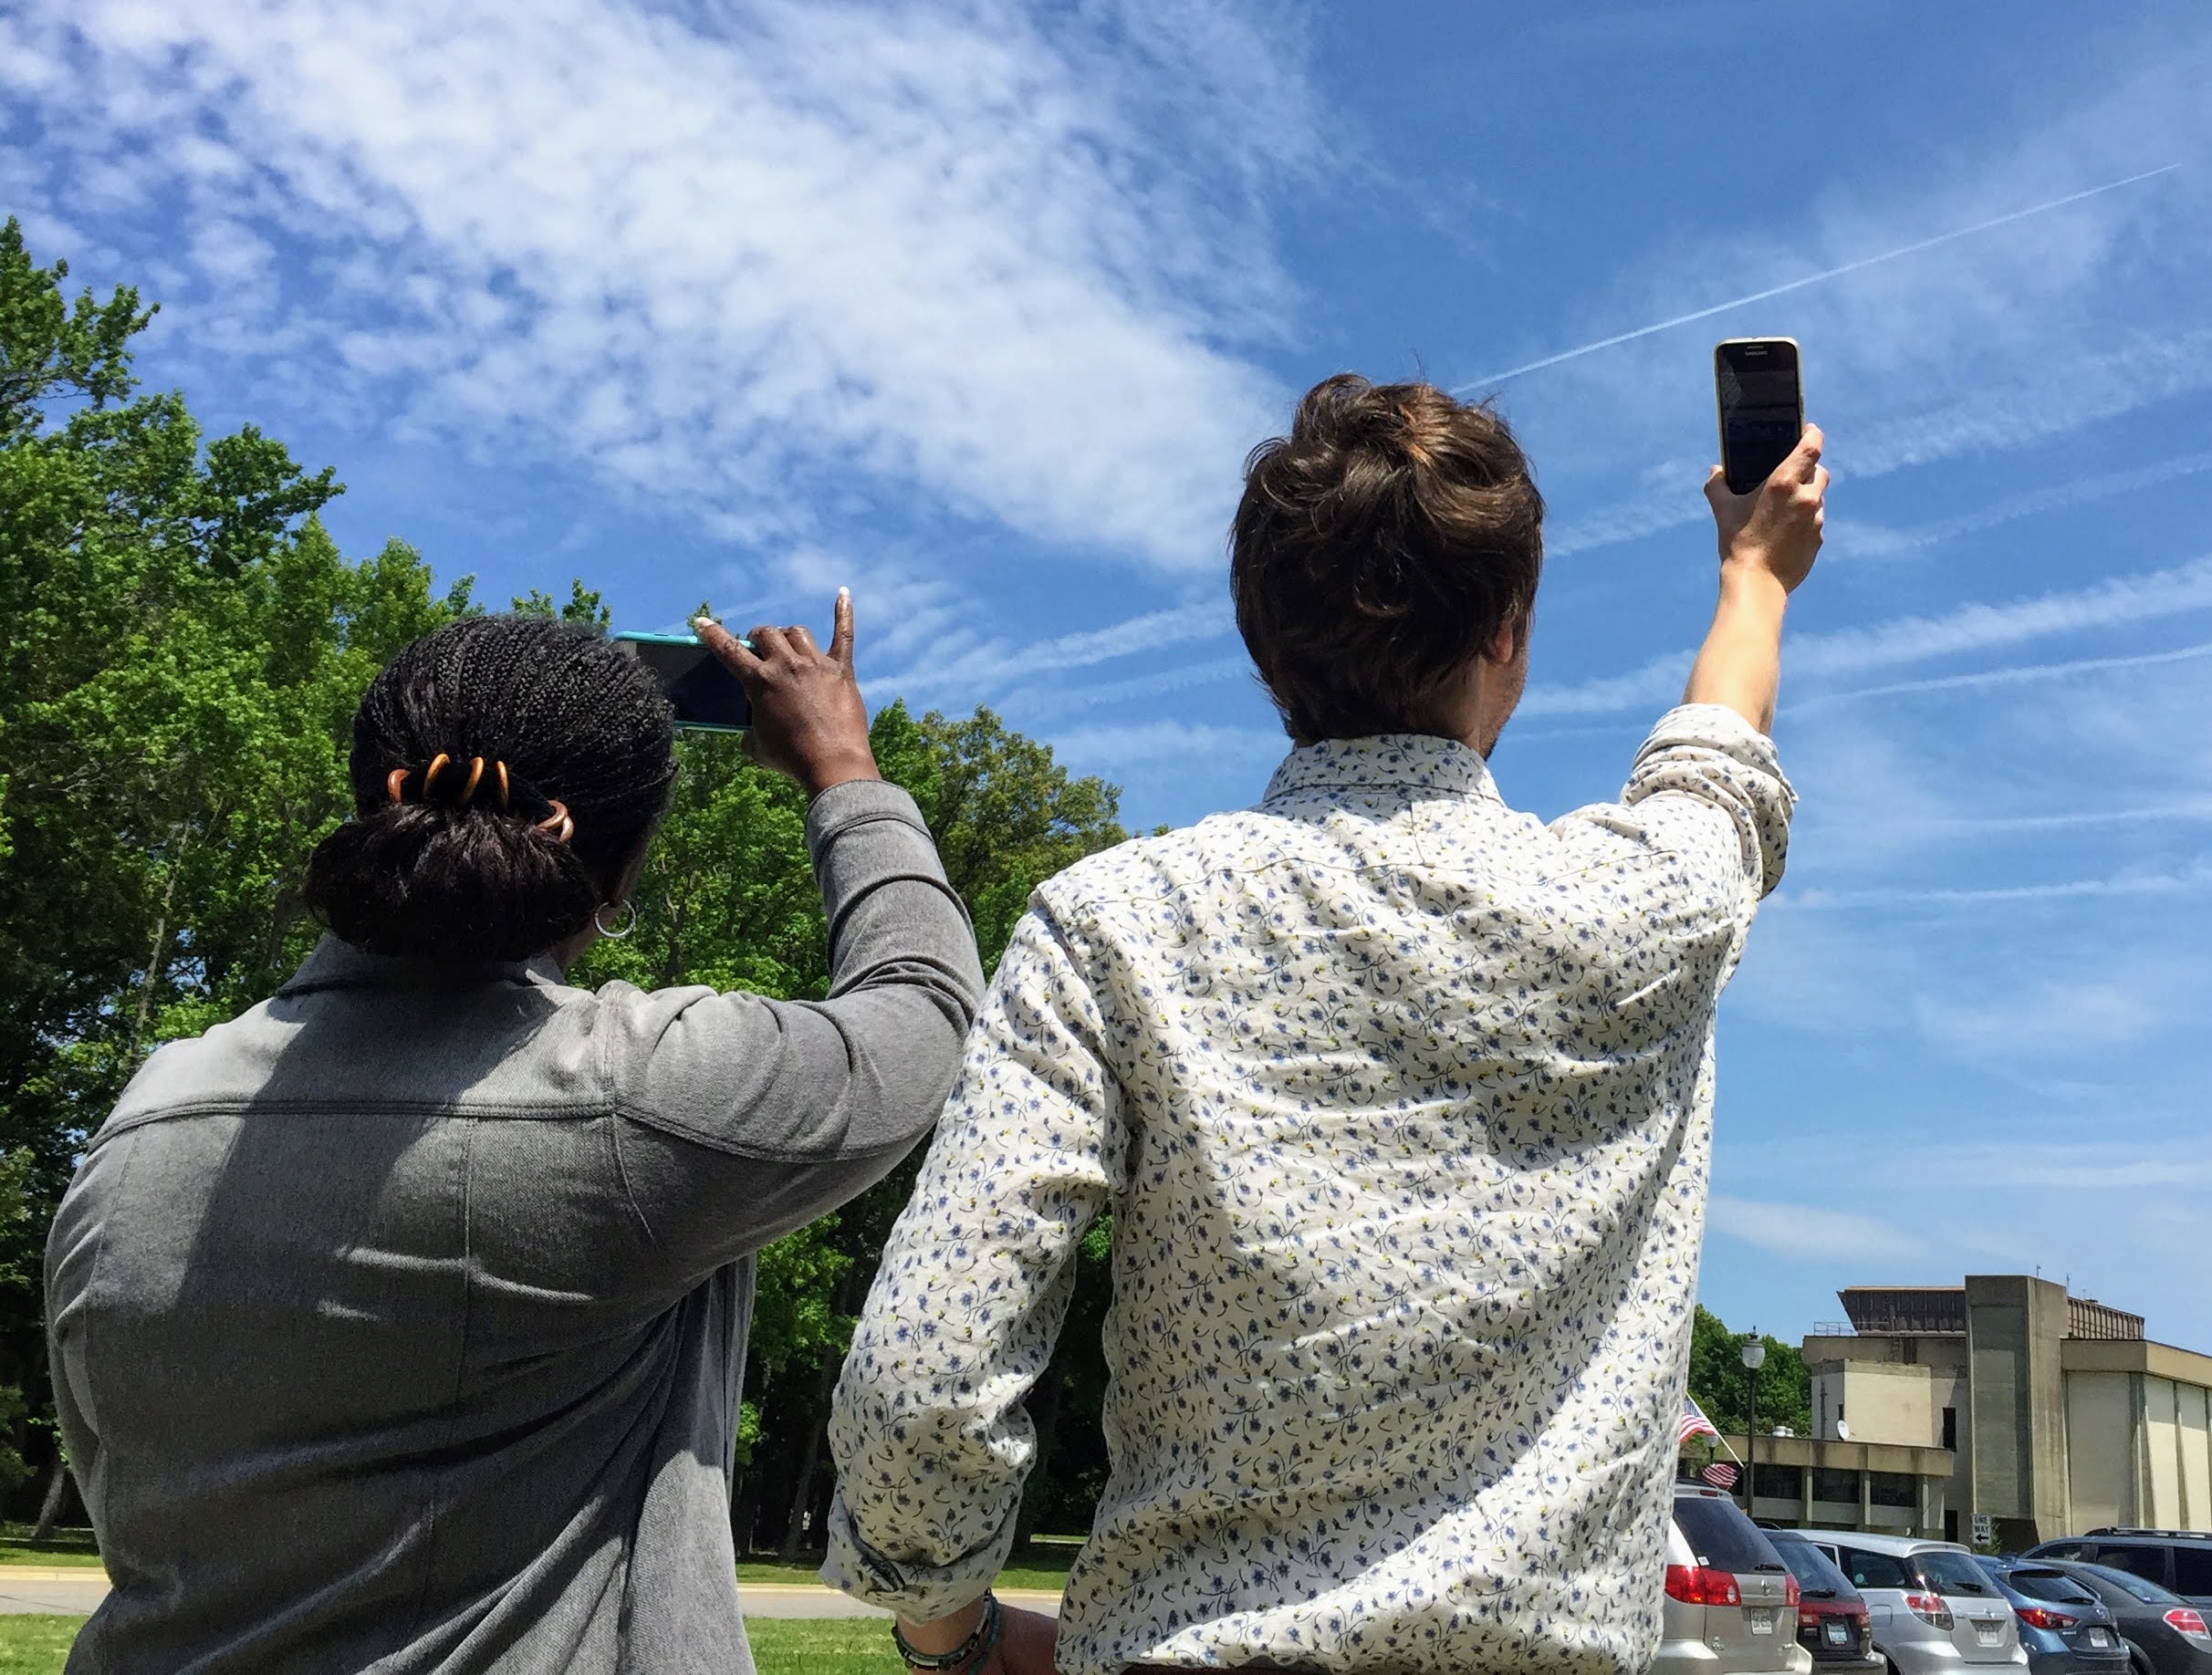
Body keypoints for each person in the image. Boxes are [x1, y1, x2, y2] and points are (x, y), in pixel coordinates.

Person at [823, 373, 1827, 1675]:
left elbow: (920, 1388)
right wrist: (1755, 573)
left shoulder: (1115, 927)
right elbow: (1713, 763)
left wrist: (949, 1632)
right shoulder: (1643, 909)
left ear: (1262, 651)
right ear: (1510, 629)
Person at [44, 595, 985, 1673]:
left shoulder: (146, 1114)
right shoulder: (635, 1100)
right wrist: (843, 768)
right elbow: (921, 1011)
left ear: (376, 808)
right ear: (610, 873)